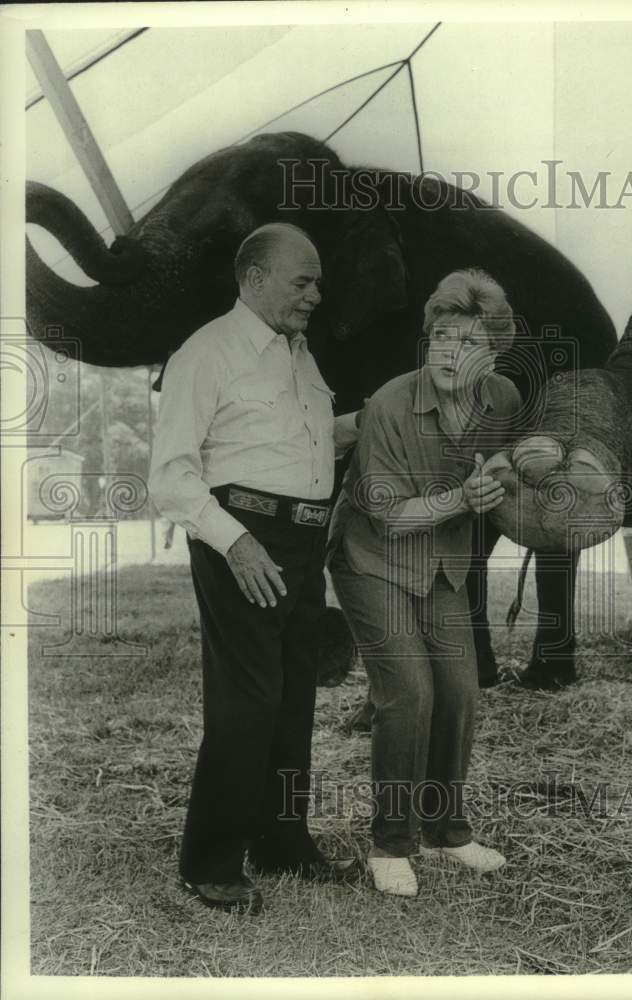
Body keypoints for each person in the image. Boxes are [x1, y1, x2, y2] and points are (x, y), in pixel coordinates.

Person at [149, 222, 359, 911]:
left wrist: (387, 413)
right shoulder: (205, 353)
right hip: (241, 535)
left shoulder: (298, 356)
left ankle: (281, 842)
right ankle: (209, 861)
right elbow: (172, 475)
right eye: (303, 281)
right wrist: (235, 543)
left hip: (301, 541)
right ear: (254, 278)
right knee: (250, 698)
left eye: (318, 281)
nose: (316, 295)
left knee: (295, 694)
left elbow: (305, 444)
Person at [328, 269, 521, 897]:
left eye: (467, 343)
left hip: (443, 563)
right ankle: (391, 845)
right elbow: (388, 515)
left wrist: (505, 483)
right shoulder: (387, 404)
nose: (448, 353)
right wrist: (464, 499)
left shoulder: (504, 401)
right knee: (409, 692)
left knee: (460, 691)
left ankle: (449, 831)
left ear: (492, 355)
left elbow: (506, 470)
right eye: (441, 337)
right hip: (370, 556)